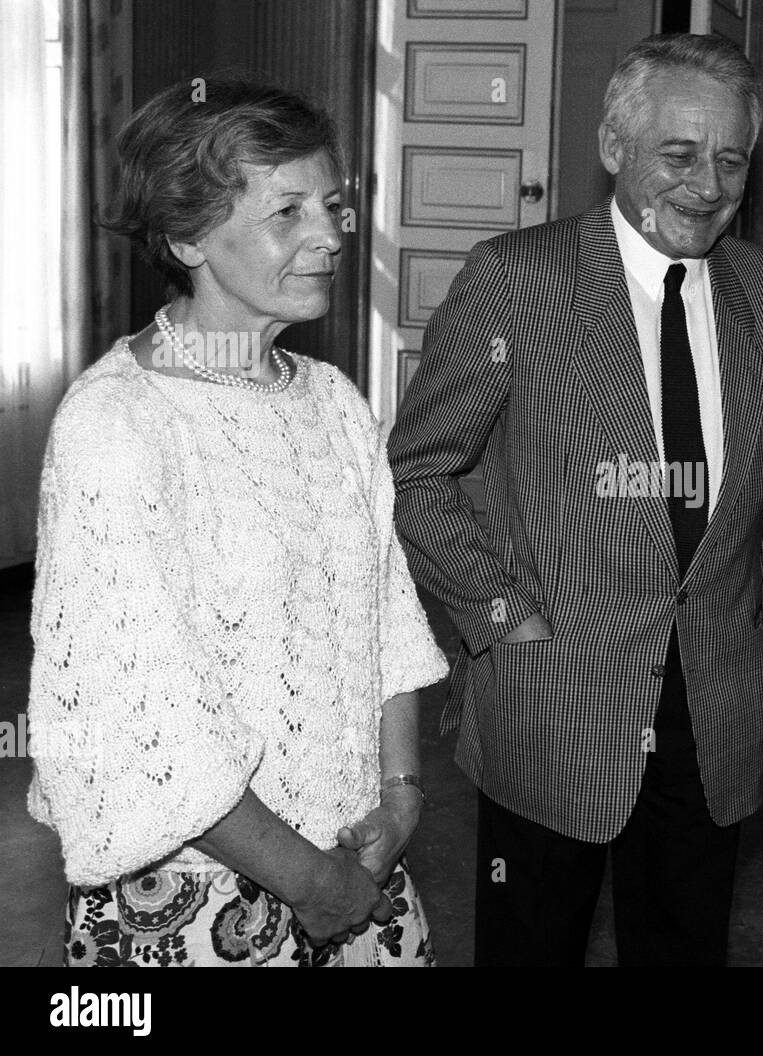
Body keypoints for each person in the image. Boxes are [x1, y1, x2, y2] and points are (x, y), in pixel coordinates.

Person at [389, 32, 763, 967]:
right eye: (678, 154)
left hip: (714, 697)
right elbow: (419, 470)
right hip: (553, 697)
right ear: (613, 148)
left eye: (731, 159)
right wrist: (502, 617)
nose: (707, 185)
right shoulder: (516, 278)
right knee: (531, 946)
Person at [27, 79, 447, 966]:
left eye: (331, 205)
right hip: (189, 897)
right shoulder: (118, 424)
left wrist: (401, 796)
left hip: (359, 866)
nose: (331, 236)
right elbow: (144, 724)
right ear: (186, 237)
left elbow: (388, 623)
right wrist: (308, 880)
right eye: (286, 211)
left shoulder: (333, 403)